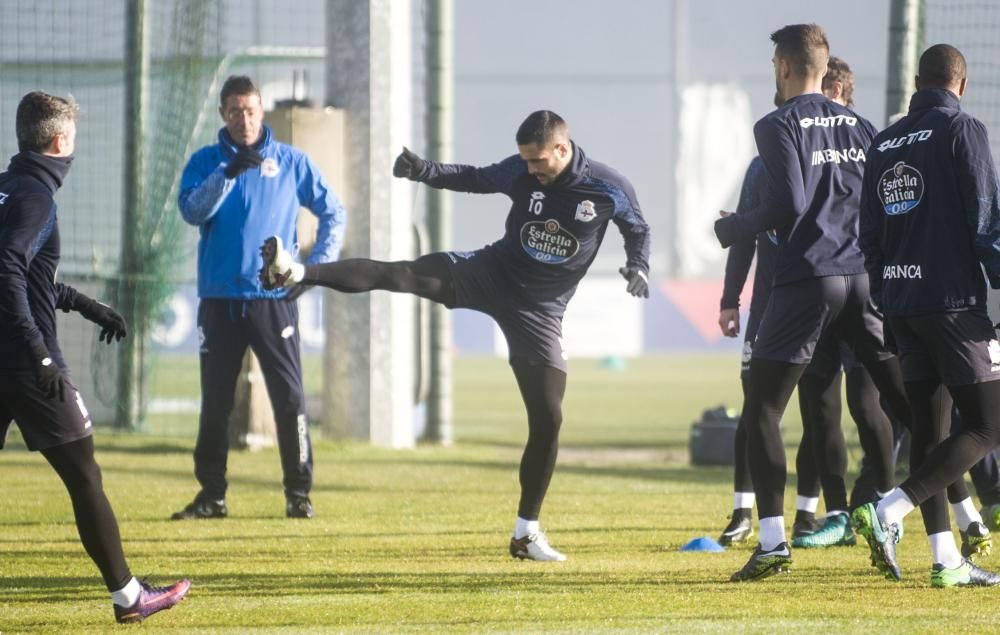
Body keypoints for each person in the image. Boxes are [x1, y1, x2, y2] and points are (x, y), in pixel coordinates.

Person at [259, 110, 651, 561]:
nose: (531, 170)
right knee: (401, 274)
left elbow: (637, 227)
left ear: (563, 149)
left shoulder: (607, 186)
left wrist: (638, 264)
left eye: (539, 161)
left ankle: (526, 534)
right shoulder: (521, 171)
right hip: (490, 272)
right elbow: (476, 178)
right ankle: (295, 269)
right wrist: (426, 170)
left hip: (540, 312)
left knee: (548, 419)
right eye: (526, 161)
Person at [714, 24, 910, 582]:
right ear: (826, 69)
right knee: (906, 407)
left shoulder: (776, 123)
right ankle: (948, 532)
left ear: (782, 65)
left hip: (810, 279)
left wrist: (735, 229)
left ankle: (774, 542)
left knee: (763, 409)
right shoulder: (863, 124)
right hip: (866, 278)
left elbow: (791, 201)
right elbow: (883, 203)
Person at [0, 91, 190, 623]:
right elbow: (8, 271)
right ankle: (129, 597)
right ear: (60, 142)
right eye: (75, 140)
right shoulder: (36, 197)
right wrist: (40, 357)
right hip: (24, 362)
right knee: (85, 473)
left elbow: (33, 278)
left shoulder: (6, 188)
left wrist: (87, 305)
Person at [853, 43, 1000, 587]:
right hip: (953, 305)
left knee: (931, 430)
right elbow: (986, 216)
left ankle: (946, 559)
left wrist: (888, 293)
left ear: (918, 82)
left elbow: (867, 233)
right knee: (989, 423)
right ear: (961, 84)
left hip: (901, 305)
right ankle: (890, 509)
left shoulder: (885, 140)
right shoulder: (963, 130)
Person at [174, 75, 347, 520]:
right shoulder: (207, 161)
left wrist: (313, 269)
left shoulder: (290, 161)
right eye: (234, 111)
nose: (244, 119)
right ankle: (211, 496)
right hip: (219, 300)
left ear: (262, 111)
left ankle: (298, 493)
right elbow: (193, 211)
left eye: (250, 110)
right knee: (216, 401)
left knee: (289, 398)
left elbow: (333, 212)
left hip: (273, 300)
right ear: (223, 114)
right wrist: (226, 174)